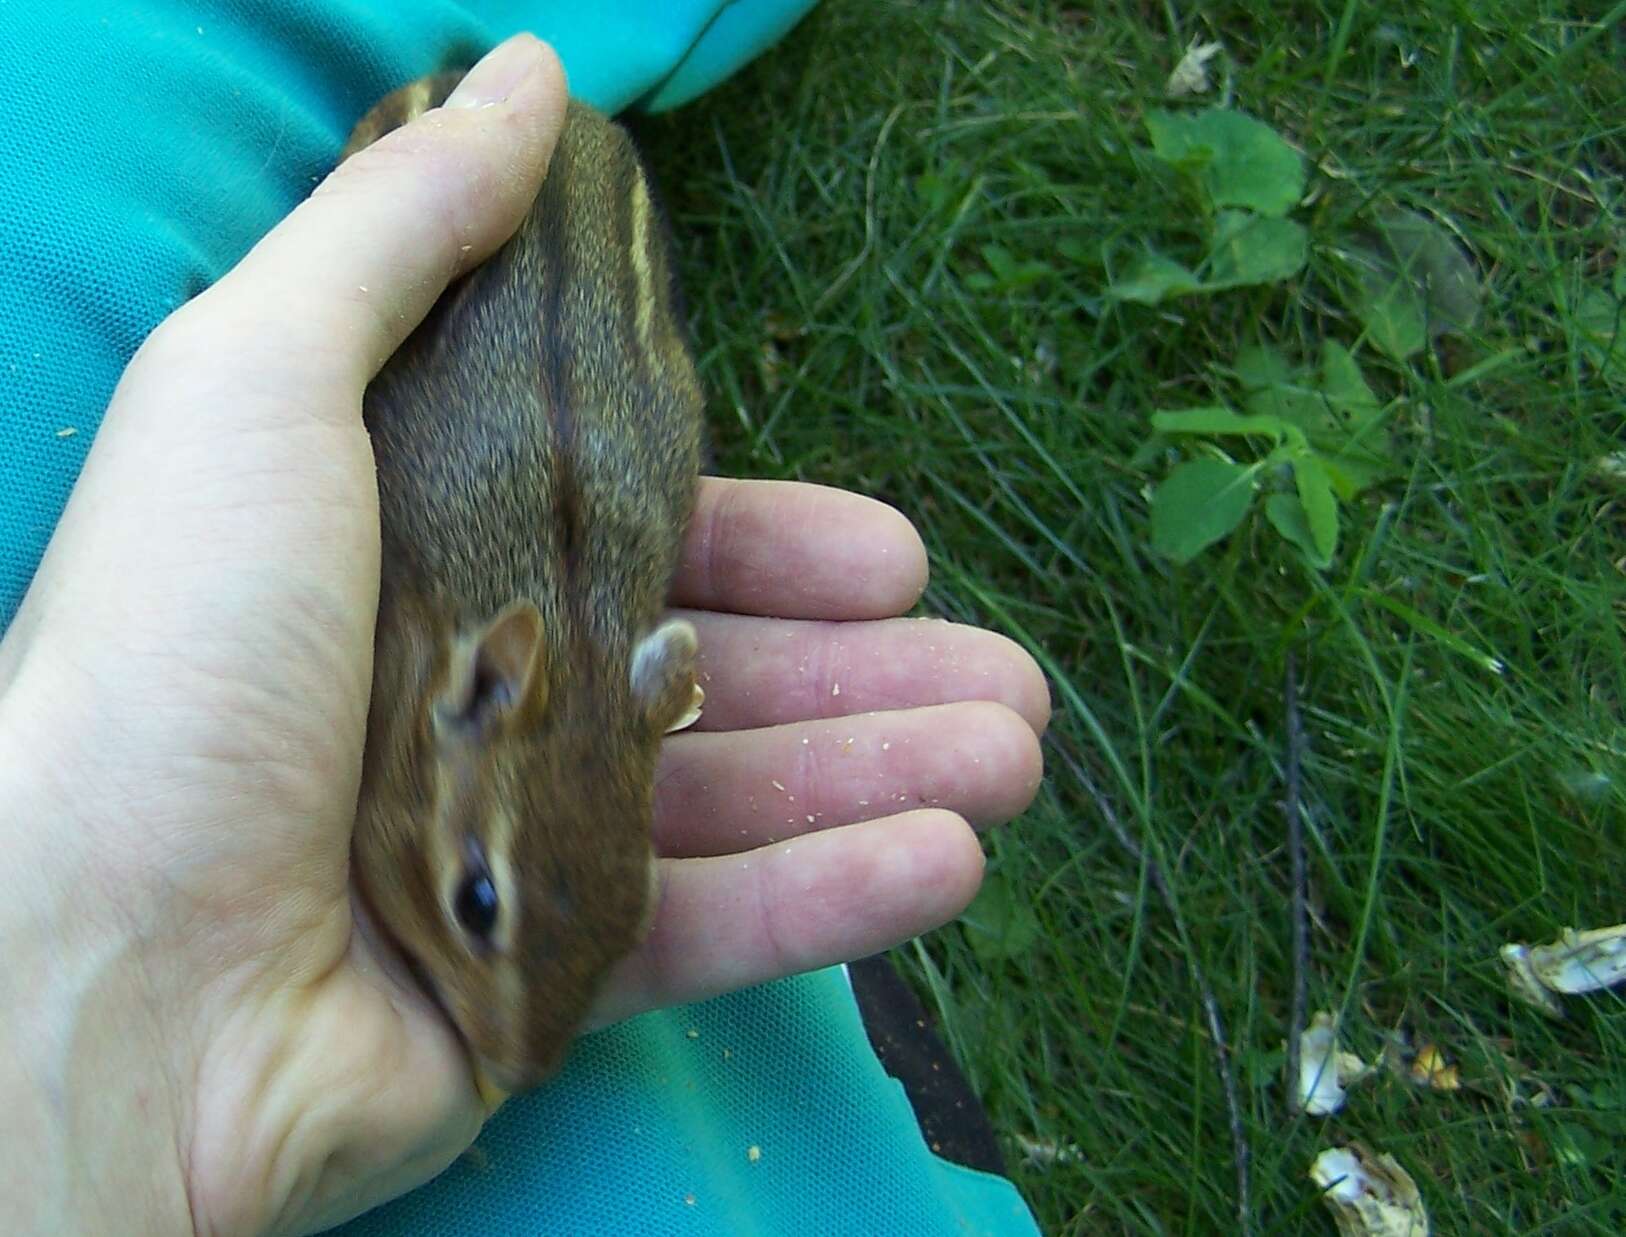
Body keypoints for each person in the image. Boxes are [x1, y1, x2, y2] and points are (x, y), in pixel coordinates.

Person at [0, 28, 1047, 1237]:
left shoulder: (562, 667)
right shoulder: (393, 590)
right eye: (476, 898)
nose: (514, 1060)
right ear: (479, 688)